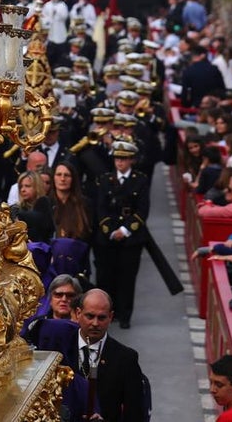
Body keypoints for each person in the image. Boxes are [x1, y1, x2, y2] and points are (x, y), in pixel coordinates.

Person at [92, 141, 150, 329]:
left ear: (131, 160)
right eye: (117, 158)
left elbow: (142, 210)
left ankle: (125, 315)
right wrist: (109, 230)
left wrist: (125, 230)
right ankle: (106, 312)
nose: (120, 162)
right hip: (107, 235)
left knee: (127, 277)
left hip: (130, 237)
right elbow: (100, 207)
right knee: (106, 275)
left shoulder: (140, 180)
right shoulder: (105, 179)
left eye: (124, 159)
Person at [73, 288, 145, 422]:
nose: (95, 323)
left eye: (101, 317)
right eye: (90, 316)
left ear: (111, 317)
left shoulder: (126, 359)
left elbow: (135, 413)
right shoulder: (60, 349)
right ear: (78, 313)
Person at [10, 171, 54, 243]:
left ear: (37, 187)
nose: (22, 190)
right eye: (21, 186)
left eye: (27, 186)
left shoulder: (45, 203)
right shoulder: (15, 208)